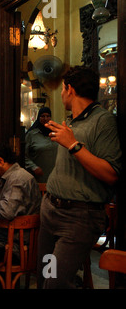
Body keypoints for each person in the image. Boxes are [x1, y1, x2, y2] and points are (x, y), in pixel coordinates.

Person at [37, 66, 122, 289]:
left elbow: (111, 174)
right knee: (46, 275)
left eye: (62, 89)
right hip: (50, 212)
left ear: (69, 89)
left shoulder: (103, 121)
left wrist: (73, 145)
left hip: (78, 218)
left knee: (55, 283)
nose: (62, 94)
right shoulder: (70, 122)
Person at [0, 143, 41, 267]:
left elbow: (7, 210)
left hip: (16, 245)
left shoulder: (18, 178)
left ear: (0, 161)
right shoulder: (13, 176)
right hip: (9, 238)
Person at [25, 107, 58, 183]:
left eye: (48, 116)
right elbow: (24, 155)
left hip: (55, 175)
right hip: (39, 176)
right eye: (43, 116)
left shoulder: (55, 133)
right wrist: (33, 167)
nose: (45, 118)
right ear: (38, 117)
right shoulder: (32, 135)